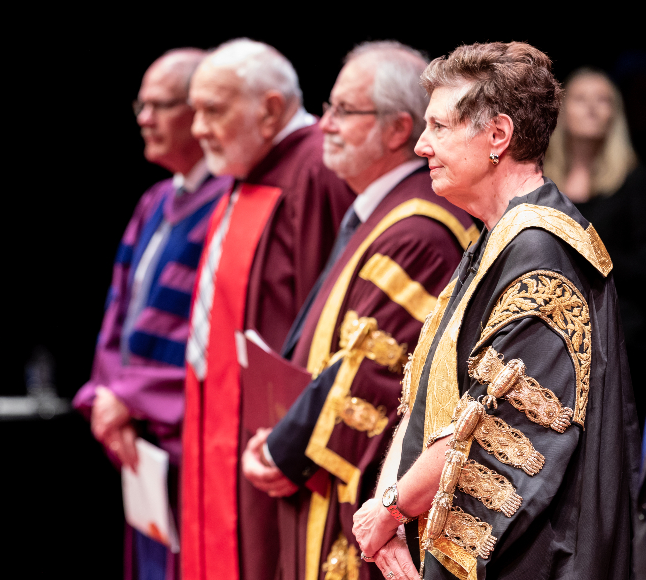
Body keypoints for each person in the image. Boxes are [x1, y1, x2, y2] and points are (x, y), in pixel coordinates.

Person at [352, 42, 638, 580]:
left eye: (438, 127)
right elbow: (427, 403)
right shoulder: (495, 240)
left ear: (498, 137)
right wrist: (387, 509)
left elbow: (489, 431)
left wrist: (390, 508)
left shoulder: (542, 252)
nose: (420, 145)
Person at [238, 41, 478, 580]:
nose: (325, 125)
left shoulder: (418, 231)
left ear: (397, 130)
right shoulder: (377, 214)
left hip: (364, 491)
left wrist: (283, 449)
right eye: (328, 108)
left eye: (345, 111)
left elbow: (372, 371)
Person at [181, 38, 354, 580]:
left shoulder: (315, 173)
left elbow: (332, 324)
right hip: (226, 437)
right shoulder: (243, 175)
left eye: (214, 110)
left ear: (271, 109)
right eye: (196, 111)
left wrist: (296, 442)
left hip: (282, 443)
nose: (198, 129)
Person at [72, 48, 231, 580]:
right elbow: (118, 315)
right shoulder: (155, 202)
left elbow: (221, 335)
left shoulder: (231, 204)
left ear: (199, 112)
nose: (144, 118)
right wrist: (104, 396)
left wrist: (131, 396)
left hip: (191, 441)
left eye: (159, 105)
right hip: (139, 439)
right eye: (141, 104)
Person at [543, 69, 646, 429]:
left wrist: (591, 258)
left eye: (602, 101)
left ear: (614, 114)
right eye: (581, 99)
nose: (591, 109)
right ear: (563, 110)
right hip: (550, 330)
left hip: (617, 332)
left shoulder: (633, 180)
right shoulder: (541, 179)